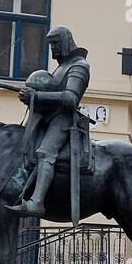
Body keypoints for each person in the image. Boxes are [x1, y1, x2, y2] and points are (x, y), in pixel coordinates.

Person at [7, 25, 90, 217]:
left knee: (45, 153)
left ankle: (37, 202)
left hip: (64, 120)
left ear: (66, 41)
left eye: (55, 43)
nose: (53, 48)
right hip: (47, 118)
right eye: (51, 44)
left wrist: (37, 97)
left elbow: (70, 99)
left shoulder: (79, 66)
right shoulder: (61, 67)